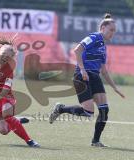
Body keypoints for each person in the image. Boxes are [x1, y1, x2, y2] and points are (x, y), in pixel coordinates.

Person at [49, 13, 125, 147]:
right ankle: (60, 109)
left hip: (94, 77)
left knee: (104, 110)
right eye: (111, 30)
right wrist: (83, 69)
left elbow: (104, 70)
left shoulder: (103, 46)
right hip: (82, 76)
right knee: (87, 112)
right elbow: (77, 50)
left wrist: (115, 87)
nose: (113, 33)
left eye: (114, 31)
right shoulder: (94, 37)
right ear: (103, 28)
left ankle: (96, 141)